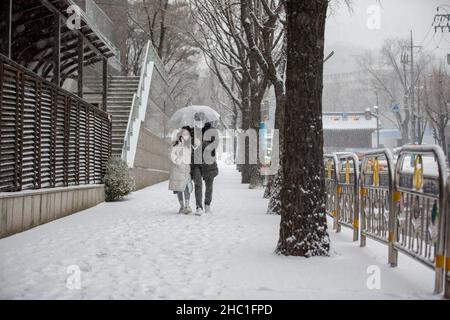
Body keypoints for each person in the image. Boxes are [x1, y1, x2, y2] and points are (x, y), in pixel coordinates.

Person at [190, 114, 219, 215]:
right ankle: (199, 207)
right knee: (198, 184)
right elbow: (188, 145)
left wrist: (202, 143)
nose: (198, 121)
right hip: (196, 162)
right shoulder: (193, 131)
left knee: (209, 185)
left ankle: (207, 205)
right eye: (197, 119)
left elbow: (214, 146)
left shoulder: (212, 131)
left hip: (208, 162)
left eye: (200, 119)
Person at [169, 127, 193, 214]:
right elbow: (171, 154)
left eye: (187, 133)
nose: (185, 135)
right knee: (179, 188)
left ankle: (187, 205)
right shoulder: (176, 144)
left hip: (186, 169)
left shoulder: (190, 144)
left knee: (187, 187)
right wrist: (178, 160)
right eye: (183, 133)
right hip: (177, 169)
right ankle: (182, 206)